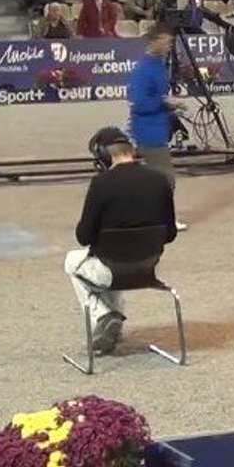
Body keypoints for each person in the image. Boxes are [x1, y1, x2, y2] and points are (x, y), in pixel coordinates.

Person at [64, 127, 177, 354]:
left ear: (105, 156)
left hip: (110, 268)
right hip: (148, 266)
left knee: (72, 262)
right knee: (109, 259)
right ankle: (113, 327)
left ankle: (104, 315)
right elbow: (170, 233)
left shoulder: (101, 183)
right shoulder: (159, 180)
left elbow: (83, 237)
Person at [127, 24, 188, 231]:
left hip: (157, 127)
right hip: (148, 130)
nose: (170, 45)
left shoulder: (157, 64)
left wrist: (170, 107)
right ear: (156, 40)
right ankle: (163, 218)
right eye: (167, 41)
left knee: (156, 176)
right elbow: (138, 103)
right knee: (165, 178)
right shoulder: (143, 69)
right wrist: (166, 103)